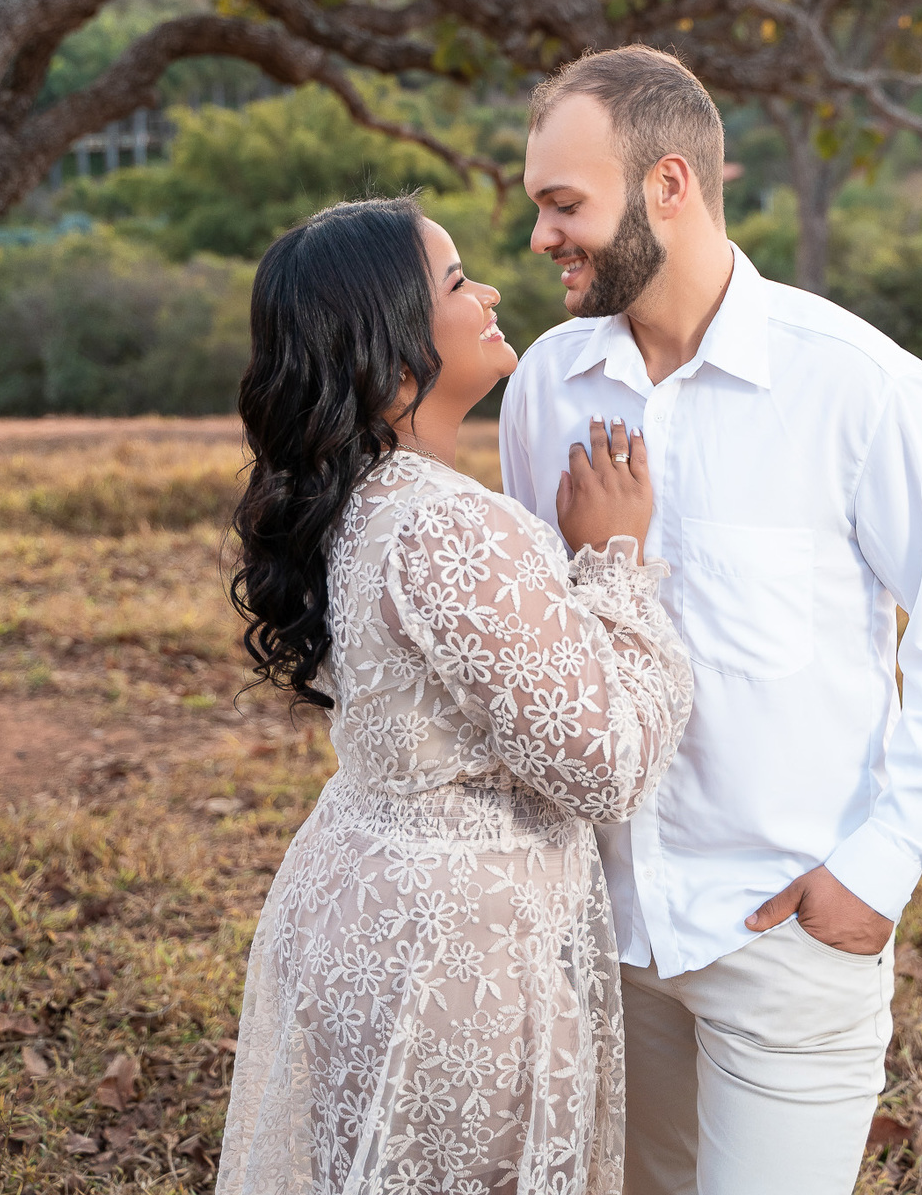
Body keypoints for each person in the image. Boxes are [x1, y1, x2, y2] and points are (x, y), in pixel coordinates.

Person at [499, 47, 922, 1195]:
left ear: (670, 185)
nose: (541, 237)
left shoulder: (859, 385)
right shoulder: (547, 384)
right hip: (606, 929)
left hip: (787, 931)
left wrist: (882, 866)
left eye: (564, 205)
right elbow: (544, 646)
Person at [216, 195, 693, 1195]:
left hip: (360, 909)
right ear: (390, 346)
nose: (490, 291)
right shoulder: (454, 526)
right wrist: (613, 561)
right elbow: (606, 762)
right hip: (452, 955)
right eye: (454, 281)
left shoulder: (356, 501)